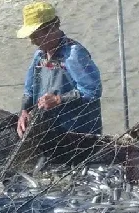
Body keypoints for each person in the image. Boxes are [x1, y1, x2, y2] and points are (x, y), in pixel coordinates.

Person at [16, 1, 103, 140]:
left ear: (50, 29)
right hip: (49, 129)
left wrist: (58, 99)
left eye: (34, 35)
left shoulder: (74, 54)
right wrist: (24, 111)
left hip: (78, 134)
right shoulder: (39, 56)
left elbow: (93, 91)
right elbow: (29, 90)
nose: (32, 42)